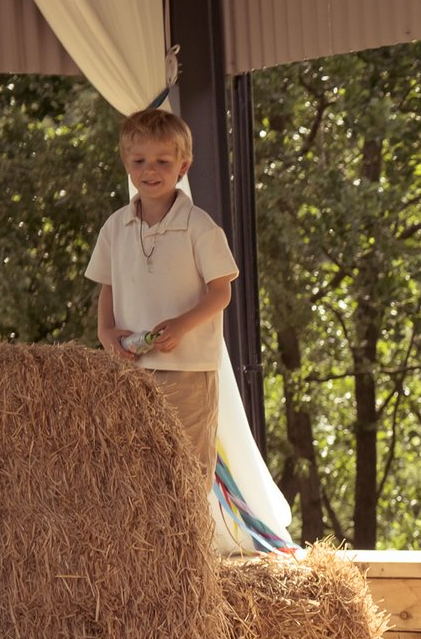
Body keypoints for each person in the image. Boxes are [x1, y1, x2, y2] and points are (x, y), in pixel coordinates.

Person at [85, 108, 285, 555]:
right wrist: (106, 333)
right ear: (125, 164)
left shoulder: (199, 226)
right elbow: (108, 287)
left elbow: (221, 293)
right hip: (132, 368)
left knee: (187, 462)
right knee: (136, 459)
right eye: (139, 162)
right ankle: (145, 552)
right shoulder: (116, 226)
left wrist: (181, 325)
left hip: (188, 368)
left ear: (183, 166)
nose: (149, 171)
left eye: (161, 161)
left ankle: (186, 554)